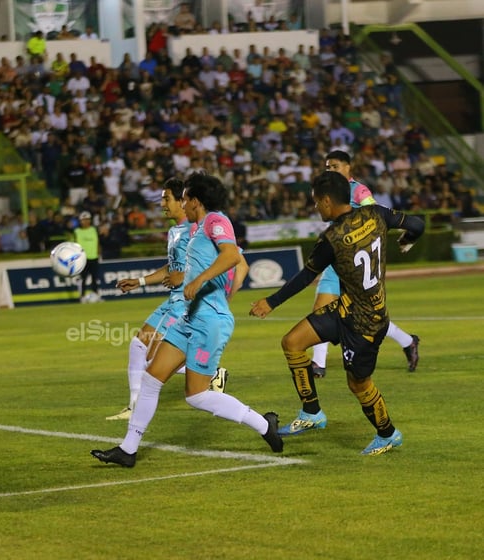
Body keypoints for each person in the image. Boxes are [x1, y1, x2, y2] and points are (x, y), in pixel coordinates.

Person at [91, 174, 283, 468]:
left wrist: (209, 286)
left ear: (195, 200)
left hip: (210, 322)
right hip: (189, 318)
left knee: (196, 396)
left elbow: (233, 257)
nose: (182, 203)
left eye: (184, 198)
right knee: (151, 379)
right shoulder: (195, 229)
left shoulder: (216, 221)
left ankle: (263, 424)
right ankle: (128, 449)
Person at [249, 172, 425, 455]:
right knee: (292, 343)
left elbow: (306, 276)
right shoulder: (376, 213)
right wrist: (408, 239)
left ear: (328, 201)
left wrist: (271, 301)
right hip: (346, 309)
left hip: (365, 323)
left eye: (316, 202)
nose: (316, 207)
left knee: (358, 384)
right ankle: (311, 413)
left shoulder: (332, 237)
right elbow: (417, 223)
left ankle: (389, 433)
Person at [105, 178, 237, 421]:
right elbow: (174, 267)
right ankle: (133, 405)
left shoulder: (198, 226)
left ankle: (212, 372)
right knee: (138, 345)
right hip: (173, 299)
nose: (162, 203)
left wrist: (196, 281)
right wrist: (141, 282)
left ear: (182, 201)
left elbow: (225, 260)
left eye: (167, 198)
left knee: (153, 358)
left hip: (186, 302)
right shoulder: (175, 231)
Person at [309, 151, 420, 377]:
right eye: (328, 166)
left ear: (349, 167)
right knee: (321, 309)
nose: (330, 170)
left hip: (357, 262)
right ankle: (317, 364)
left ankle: (408, 341)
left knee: (365, 315)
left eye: (336, 166)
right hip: (336, 259)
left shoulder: (359, 191)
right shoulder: (325, 191)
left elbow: (374, 216)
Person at [74, 211, 101, 303]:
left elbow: (97, 242)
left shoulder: (94, 229)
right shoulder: (77, 231)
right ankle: (82, 296)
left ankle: (96, 295)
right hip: (82, 258)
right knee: (83, 279)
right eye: (83, 220)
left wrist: (98, 254)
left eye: (87, 219)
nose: (85, 222)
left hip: (94, 257)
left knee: (95, 278)